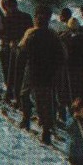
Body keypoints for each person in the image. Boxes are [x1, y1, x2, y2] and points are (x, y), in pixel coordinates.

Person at [19, 10, 66, 145]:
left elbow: (22, 51)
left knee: (24, 94)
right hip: (48, 73)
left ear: (36, 23)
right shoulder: (54, 36)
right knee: (45, 102)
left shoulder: (31, 35)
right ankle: (46, 130)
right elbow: (62, 56)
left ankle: (26, 119)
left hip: (33, 70)